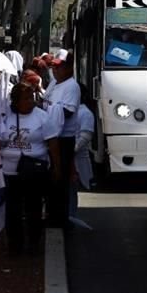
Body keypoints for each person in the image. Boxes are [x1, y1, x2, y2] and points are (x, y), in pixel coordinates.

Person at [0, 82, 61, 256]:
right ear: (15, 101)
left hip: (34, 170)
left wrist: (57, 168)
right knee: (12, 209)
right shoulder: (5, 116)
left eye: (32, 98)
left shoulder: (43, 117)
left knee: (33, 208)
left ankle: (33, 245)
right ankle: (15, 246)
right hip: (9, 171)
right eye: (26, 98)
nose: (30, 102)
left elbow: (53, 144)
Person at [43, 49, 80, 228]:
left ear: (68, 67)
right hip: (51, 138)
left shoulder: (71, 86)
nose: (55, 71)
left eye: (59, 67)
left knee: (60, 179)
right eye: (54, 67)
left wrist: (46, 116)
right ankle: (53, 215)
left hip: (63, 139)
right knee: (52, 180)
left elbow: (67, 111)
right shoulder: (54, 84)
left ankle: (60, 219)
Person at [70, 91, 95, 221]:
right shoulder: (72, 110)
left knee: (72, 189)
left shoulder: (85, 113)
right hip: (68, 159)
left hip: (77, 159)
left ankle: (71, 217)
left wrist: (73, 149)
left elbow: (86, 135)